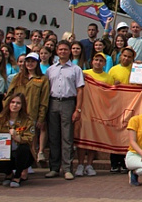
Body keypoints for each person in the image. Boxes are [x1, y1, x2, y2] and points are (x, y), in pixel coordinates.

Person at [45, 40, 84, 180]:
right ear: (57, 51)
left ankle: (67, 168)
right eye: (60, 49)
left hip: (68, 103)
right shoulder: (50, 69)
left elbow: (80, 90)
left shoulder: (76, 69)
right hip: (53, 102)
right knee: (53, 137)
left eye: (65, 50)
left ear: (69, 51)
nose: (63, 52)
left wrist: (78, 109)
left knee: (67, 137)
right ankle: (54, 168)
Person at [76, 52, 114, 176]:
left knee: (94, 139)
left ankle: (89, 164)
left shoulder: (108, 78)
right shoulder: (84, 74)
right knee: (82, 138)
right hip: (85, 110)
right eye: (96, 60)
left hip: (99, 112)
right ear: (92, 61)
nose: (98, 62)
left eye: (101, 61)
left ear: (104, 63)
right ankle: (80, 164)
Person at [0, 93, 35, 187]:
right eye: (12, 102)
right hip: (4, 154)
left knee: (24, 148)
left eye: (18, 103)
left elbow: (30, 138)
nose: (15, 105)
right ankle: (8, 174)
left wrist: (18, 137)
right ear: (8, 103)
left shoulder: (27, 121)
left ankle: (17, 176)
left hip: (20, 155)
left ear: (22, 105)